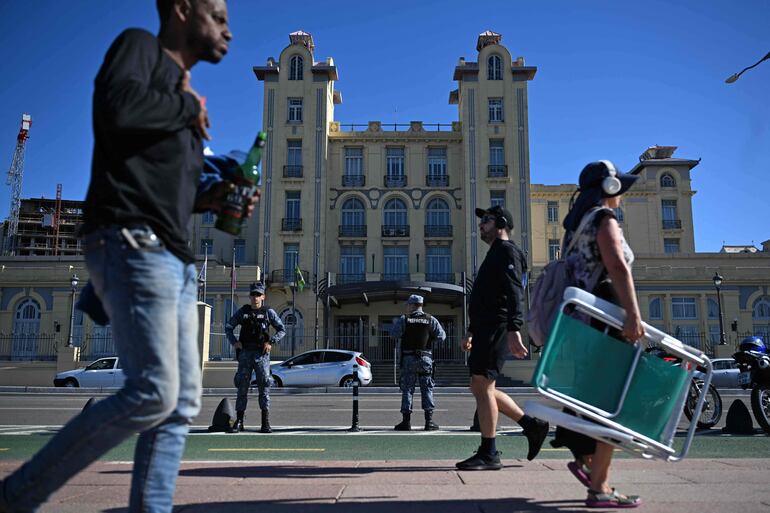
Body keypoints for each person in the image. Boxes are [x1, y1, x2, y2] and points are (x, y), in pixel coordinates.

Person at [0, 2, 237, 512]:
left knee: (178, 404)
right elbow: (116, 111)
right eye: (217, 15)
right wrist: (186, 109)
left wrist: (211, 198)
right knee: (153, 390)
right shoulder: (140, 49)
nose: (228, 31)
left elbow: (165, 186)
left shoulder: (182, 96)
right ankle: (15, 497)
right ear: (181, 8)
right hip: (131, 240)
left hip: (174, 256)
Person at [550, 160, 644, 508]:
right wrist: (633, 315)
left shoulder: (573, 229)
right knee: (614, 405)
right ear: (608, 188)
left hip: (581, 326)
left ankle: (589, 464)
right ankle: (600, 488)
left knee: (589, 400)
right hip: (607, 320)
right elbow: (617, 266)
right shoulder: (604, 219)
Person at [456, 205, 549, 471]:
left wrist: (513, 330)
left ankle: (489, 453)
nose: (481, 224)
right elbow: (485, 296)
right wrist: (472, 330)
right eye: (481, 220)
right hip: (485, 328)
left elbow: (513, 292)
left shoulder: (508, 251)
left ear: (501, 223)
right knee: (481, 386)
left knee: (483, 385)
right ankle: (531, 425)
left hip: (496, 327)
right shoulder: (495, 253)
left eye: (486, 220)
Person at [225, 282, 285, 433]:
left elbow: (281, 329)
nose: (255, 298)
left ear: (263, 297)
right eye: (253, 295)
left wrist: (271, 342)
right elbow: (228, 327)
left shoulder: (268, 312)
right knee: (242, 387)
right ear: (250, 296)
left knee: (264, 386)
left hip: (261, 355)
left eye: (258, 295)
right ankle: (239, 421)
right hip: (245, 354)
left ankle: (265, 422)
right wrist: (235, 342)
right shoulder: (243, 312)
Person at [390, 295, 447, 431]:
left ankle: (406, 422)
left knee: (408, 389)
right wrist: (430, 337)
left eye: (408, 305)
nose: (407, 307)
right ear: (421, 305)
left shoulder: (405, 319)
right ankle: (429, 422)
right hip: (425, 358)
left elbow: (394, 334)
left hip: (408, 358)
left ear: (412, 305)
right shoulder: (430, 319)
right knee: (427, 388)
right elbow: (442, 336)